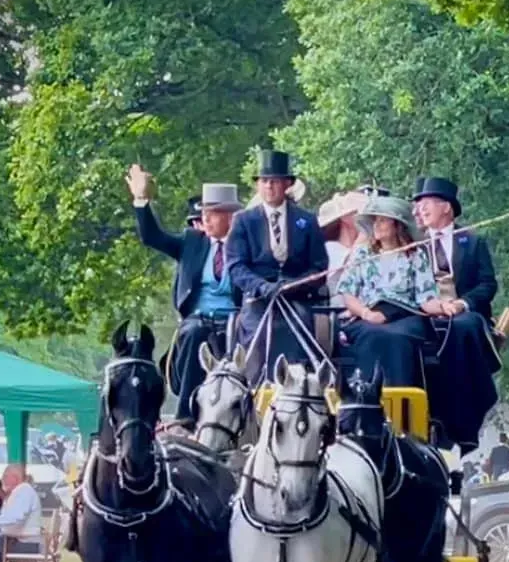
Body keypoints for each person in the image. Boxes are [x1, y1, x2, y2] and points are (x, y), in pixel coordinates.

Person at [127, 166, 241, 422]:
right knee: (194, 333)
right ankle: (185, 417)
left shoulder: (246, 246)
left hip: (239, 320)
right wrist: (141, 201)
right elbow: (152, 236)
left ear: (231, 217)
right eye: (204, 213)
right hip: (199, 319)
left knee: (257, 335)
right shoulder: (192, 242)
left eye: (212, 213)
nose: (206, 219)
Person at [411, 175, 501, 454]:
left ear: (446, 207)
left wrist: (462, 303)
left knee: (463, 327)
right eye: (419, 205)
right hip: (426, 313)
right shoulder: (412, 245)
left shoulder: (472, 241)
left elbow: (488, 284)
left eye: (427, 204)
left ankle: (463, 416)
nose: (420, 210)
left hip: (463, 314)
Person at [226, 149, 328, 384]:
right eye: (264, 181)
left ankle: (298, 388)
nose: (269, 186)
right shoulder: (244, 221)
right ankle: (254, 388)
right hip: (258, 300)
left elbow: (319, 266)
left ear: (287, 185)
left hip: (296, 299)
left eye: (274, 181)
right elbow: (236, 266)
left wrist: (294, 286)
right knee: (258, 332)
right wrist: (262, 287)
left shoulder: (307, 221)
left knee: (298, 328)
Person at [337, 194, 441, 388]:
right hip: (368, 316)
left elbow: (426, 299)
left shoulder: (416, 255)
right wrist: (367, 314)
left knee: (397, 337)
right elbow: (347, 292)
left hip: (405, 317)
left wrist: (444, 306)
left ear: (397, 226)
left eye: (383, 220)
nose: (376, 225)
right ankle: (366, 397)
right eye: (374, 220)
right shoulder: (362, 254)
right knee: (372, 334)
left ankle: (403, 401)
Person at [317, 191, 366, 306]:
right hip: (341, 309)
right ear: (346, 218)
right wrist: (365, 234)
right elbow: (350, 265)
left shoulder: (367, 247)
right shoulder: (330, 249)